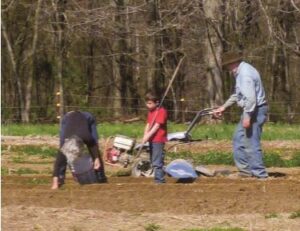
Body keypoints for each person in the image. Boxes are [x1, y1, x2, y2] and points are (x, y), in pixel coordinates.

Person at [213, 51, 268, 179]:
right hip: (250, 110)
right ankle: (245, 172)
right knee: (238, 139)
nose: (227, 69)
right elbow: (238, 94)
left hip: (254, 110)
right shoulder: (242, 72)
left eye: (227, 66)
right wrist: (224, 107)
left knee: (250, 142)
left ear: (232, 63)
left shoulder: (245, 74)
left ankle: (260, 175)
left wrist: (247, 117)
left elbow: (251, 99)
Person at [51, 111, 107, 189]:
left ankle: (101, 177)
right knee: (62, 154)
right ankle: (60, 179)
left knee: (95, 144)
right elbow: (58, 163)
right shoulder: (65, 144)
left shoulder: (86, 136)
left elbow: (93, 145)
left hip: (86, 116)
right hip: (68, 117)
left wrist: (96, 159)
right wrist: (55, 182)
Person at [142, 92, 168, 183]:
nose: (147, 105)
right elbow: (148, 124)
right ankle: (157, 179)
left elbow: (157, 126)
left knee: (157, 161)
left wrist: (148, 135)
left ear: (156, 103)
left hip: (158, 139)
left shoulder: (161, 111)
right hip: (151, 139)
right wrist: (145, 135)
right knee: (153, 160)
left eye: (150, 103)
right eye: (147, 103)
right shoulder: (151, 112)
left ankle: (159, 180)